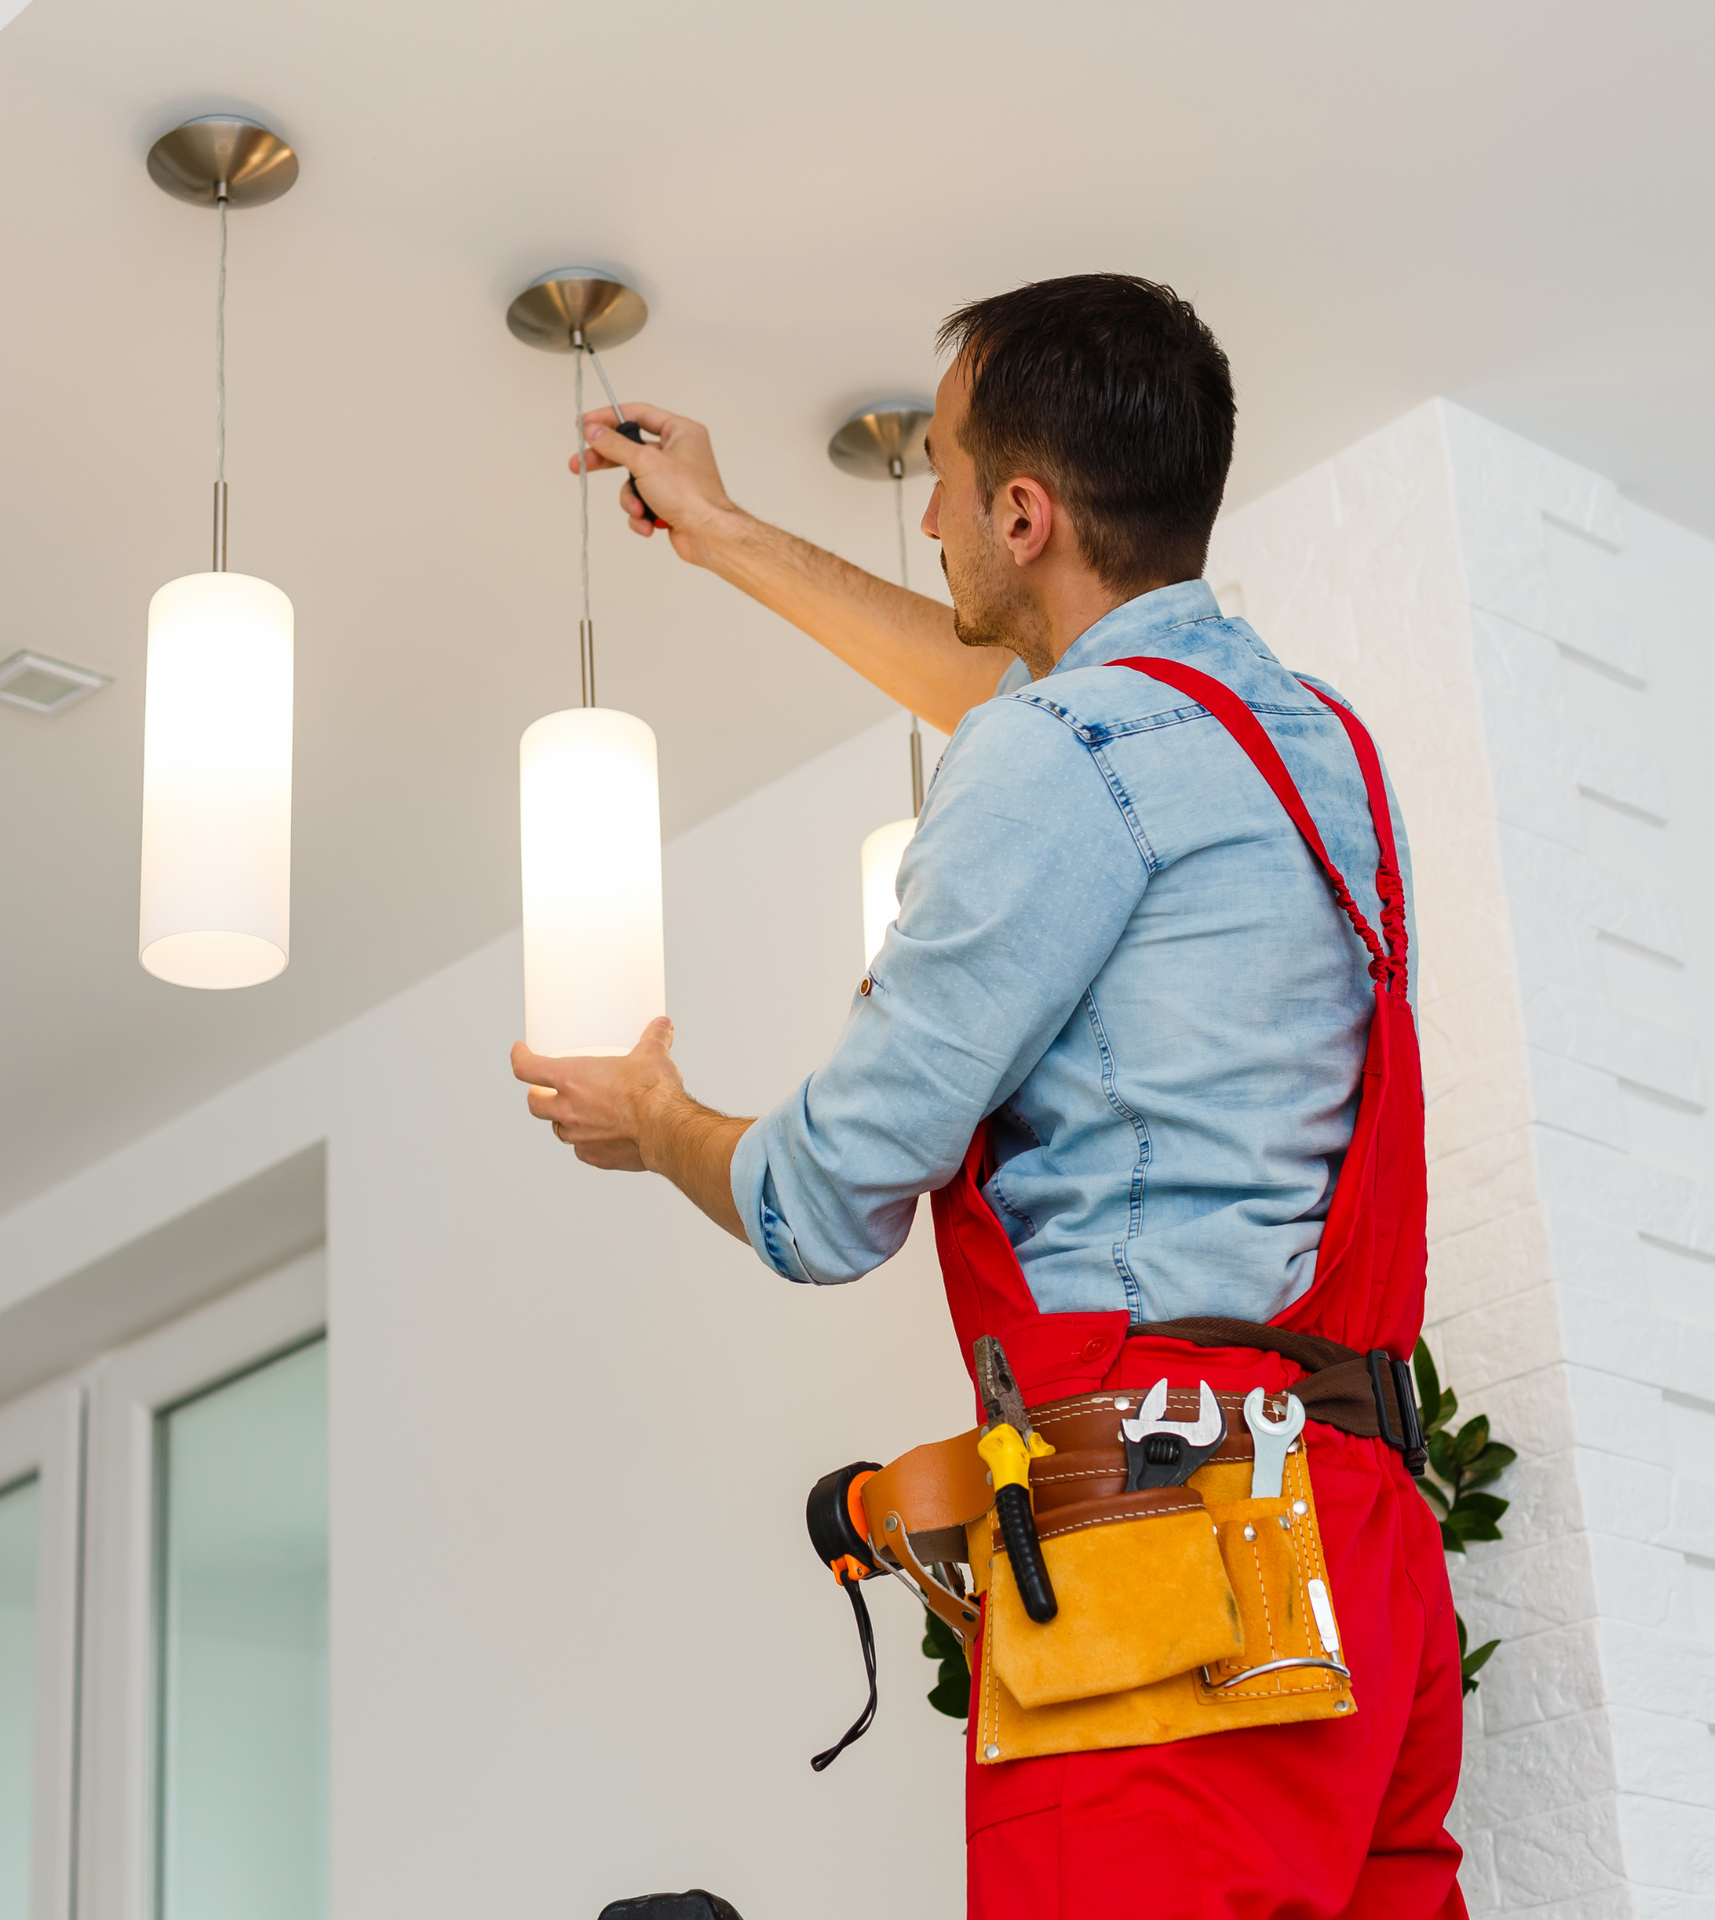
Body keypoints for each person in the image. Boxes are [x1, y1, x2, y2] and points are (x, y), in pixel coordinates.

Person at [510, 275, 1465, 1919]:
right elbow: (1047, 727)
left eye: (944, 475)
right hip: (1364, 1552)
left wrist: (657, 1120)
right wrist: (728, 532)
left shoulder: (1061, 766)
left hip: (1166, 1553)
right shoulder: (1307, 745)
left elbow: (820, 1205)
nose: (928, 511)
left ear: (1024, 515)